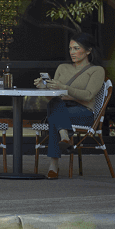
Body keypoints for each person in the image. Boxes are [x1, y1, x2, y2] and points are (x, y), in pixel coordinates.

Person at [41, 34, 107, 179]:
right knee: (54, 103)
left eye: (76, 48)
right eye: (70, 48)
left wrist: (64, 88)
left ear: (88, 50)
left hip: (83, 112)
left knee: (54, 117)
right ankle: (63, 134)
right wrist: (44, 87)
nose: (72, 52)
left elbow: (88, 96)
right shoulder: (62, 68)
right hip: (61, 107)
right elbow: (52, 96)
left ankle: (54, 165)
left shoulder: (96, 70)